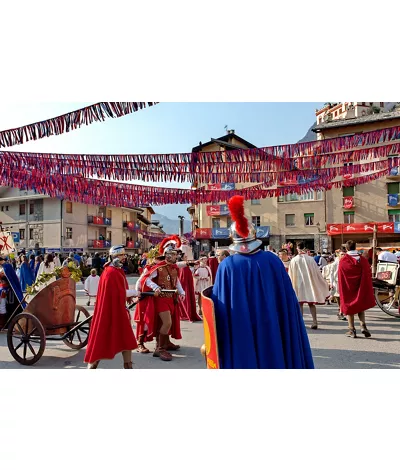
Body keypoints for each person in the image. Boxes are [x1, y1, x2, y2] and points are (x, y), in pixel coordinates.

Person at [211, 196, 314, 369]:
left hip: (241, 328)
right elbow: (287, 301)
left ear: (231, 238)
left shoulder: (227, 265)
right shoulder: (272, 260)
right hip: (272, 324)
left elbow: (219, 308)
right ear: (255, 235)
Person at [85, 246, 138, 369]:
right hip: (109, 312)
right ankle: (92, 366)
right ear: (114, 257)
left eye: (124, 255)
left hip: (118, 310)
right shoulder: (111, 272)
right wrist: (135, 293)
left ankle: (128, 367)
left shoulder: (116, 270)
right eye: (121, 255)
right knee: (102, 339)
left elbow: (120, 291)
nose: (124, 258)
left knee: (126, 339)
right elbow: (118, 293)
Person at [137, 236, 185, 362]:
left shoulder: (173, 267)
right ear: (168, 255)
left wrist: (182, 292)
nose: (176, 257)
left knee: (168, 323)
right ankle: (159, 349)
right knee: (167, 322)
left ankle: (164, 344)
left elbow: (176, 281)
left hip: (171, 299)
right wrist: (155, 286)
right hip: (161, 299)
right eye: (174, 254)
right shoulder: (158, 267)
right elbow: (145, 279)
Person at [289, 241, 330, 329]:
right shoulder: (310, 259)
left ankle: (301, 323)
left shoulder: (294, 260)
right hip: (309, 283)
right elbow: (316, 272)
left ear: (297, 248)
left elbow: (291, 274)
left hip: (298, 284)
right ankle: (314, 321)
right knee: (311, 303)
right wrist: (319, 282)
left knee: (300, 304)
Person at [339, 240, 375, 339]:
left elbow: (341, 276)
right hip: (361, 286)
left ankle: (351, 329)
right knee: (360, 306)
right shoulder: (363, 260)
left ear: (346, 248)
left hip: (348, 287)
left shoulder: (343, 260)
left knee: (349, 307)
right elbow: (368, 273)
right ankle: (363, 325)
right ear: (356, 247)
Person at [177, 242, 202, 322]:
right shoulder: (182, 267)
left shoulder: (185, 266)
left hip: (187, 286)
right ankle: (186, 313)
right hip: (184, 287)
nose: (186, 256)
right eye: (185, 256)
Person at [330, 248, 347, 321]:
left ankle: (341, 311)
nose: (343, 256)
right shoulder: (335, 263)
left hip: (344, 282)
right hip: (336, 282)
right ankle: (340, 310)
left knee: (343, 297)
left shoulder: (347, 262)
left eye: (344, 254)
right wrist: (331, 283)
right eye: (342, 254)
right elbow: (331, 274)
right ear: (338, 255)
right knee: (338, 296)